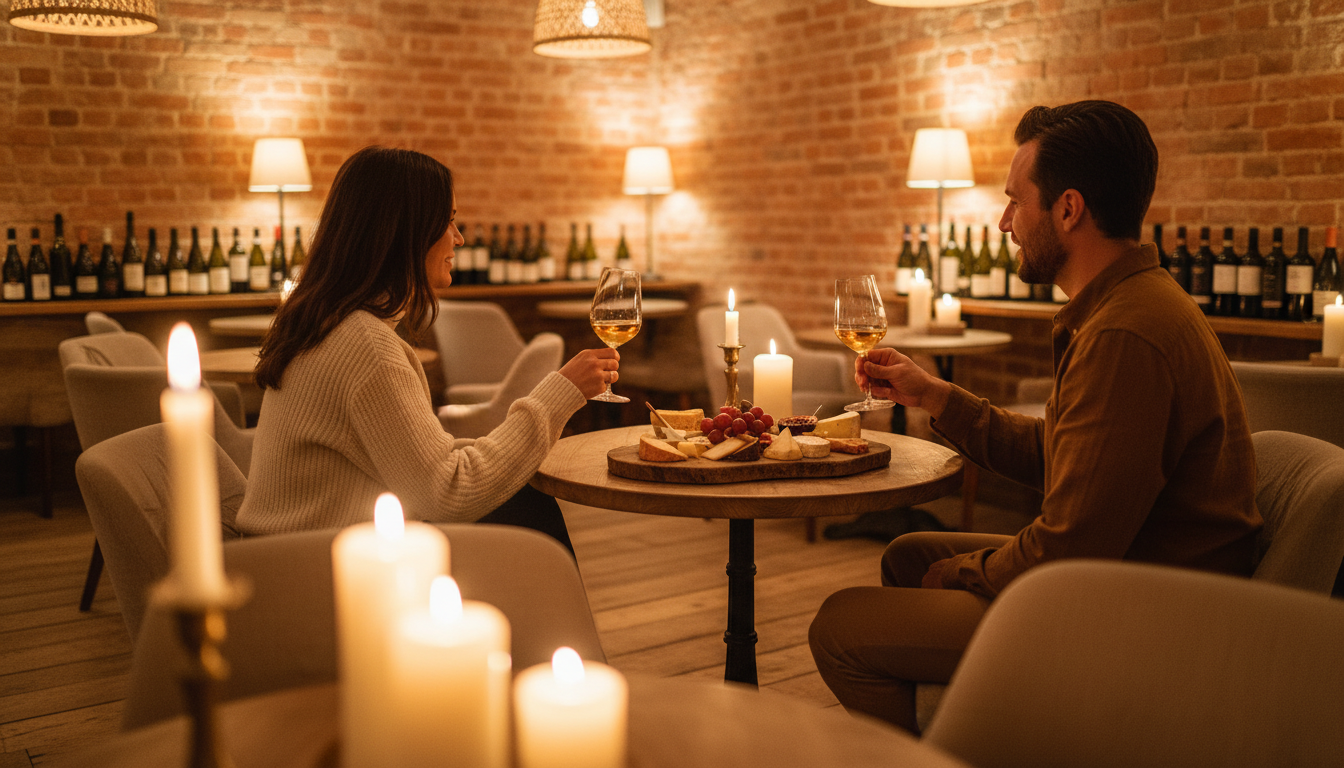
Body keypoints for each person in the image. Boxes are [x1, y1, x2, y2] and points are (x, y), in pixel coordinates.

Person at [809, 101, 1262, 732]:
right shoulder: (1129, 305)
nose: (1004, 222)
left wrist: (964, 572)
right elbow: (1066, 458)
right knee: (910, 554)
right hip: (1123, 572)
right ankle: (987, 717)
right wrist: (936, 396)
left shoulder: (1125, 335)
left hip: (1149, 608)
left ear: (1069, 209)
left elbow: (1071, 545)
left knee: (840, 628)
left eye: (1015, 202)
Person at [236, 146, 619, 552]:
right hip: (313, 566)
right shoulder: (366, 346)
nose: (460, 238)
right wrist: (560, 393)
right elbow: (450, 492)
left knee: (522, 502)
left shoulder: (328, 322)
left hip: (299, 549)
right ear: (406, 231)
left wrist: (513, 450)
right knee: (528, 513)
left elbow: (424, 461)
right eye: (449, 221)